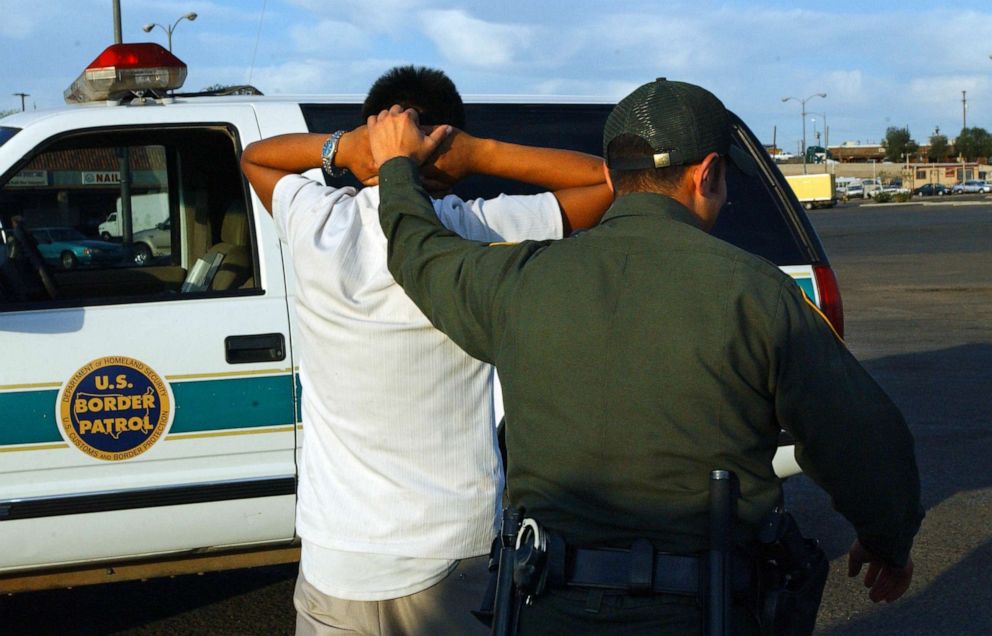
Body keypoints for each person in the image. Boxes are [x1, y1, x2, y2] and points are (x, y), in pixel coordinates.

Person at [369, 78, 924, 634]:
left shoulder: (518, 281)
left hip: (548, 607)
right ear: (707, 173)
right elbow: (864, 441)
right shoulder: (759, 294)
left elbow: (418, 253)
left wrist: (397, 168)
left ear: (611, 175)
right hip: (701, 613)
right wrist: (887, 543)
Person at [240, 65, 612, 635]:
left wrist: (348, 149)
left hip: (336, 559)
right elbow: (608, 183)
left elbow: (256, 158)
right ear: (447, 151)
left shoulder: (316, 221)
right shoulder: (478, 232)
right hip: (449, 551)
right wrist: (478, 153)